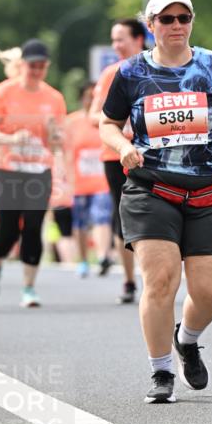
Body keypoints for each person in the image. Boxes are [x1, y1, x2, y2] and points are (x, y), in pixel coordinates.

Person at [99, 0, 212, 404]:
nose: (176, 26)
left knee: (209, 293)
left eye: (184, 18)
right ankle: (161, 372)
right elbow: (107, 123)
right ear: (151, 27)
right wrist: (122, 147)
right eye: (167, 19)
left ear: (192, 22)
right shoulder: (130, 73)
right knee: (161, 281)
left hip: (209, 192)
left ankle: (188, 339)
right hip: (152, 189)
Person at [0, 39, 66, 307]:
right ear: (22, 65)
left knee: (33, 226)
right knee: (7, 231)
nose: (36, 71)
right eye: (32, 66)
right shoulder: (3, 92)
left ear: (47, 67)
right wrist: (11, 139)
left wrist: (53, 132)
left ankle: (28, 288)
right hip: (7, 169)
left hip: (39, 170)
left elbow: (58, 140)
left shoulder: (54, 98)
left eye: (41, 66)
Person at [89, 18, 146, 299]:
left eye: (120, 38)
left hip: (153, 152)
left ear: (139, 38)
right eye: (113, 39)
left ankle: (157, 274)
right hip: (116, 155)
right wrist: (122, 128)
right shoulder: (110, 73)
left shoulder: (156, 69)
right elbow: (94, 115)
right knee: (123, 213)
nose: (115, 45)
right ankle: (129, 280)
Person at [65, 81, 113, 277]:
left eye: (95, 97)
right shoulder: (71, 123)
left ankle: (102, 256)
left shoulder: (108, 120)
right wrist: (68, 180)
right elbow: (67, 153)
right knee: (80, 224)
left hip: (102, 181)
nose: (92, 100)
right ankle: (84, 260)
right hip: (79, 182)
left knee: (102, 217)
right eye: (88, 97)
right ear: (81, 99)